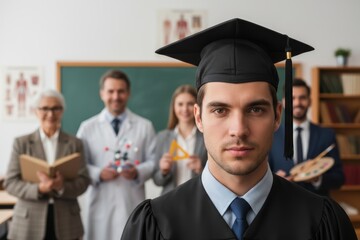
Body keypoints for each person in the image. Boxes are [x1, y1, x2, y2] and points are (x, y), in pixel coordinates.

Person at [121, 18, 357, 240]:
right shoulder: (155, 224)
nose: (239, 130)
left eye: (255, 109)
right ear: (198, 117)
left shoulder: (322, 222)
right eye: (220, 110)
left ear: (277, 116)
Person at [76, 69, 157, 240]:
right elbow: (78, 164)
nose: (115, 96)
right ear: (102, 94)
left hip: (131, 202)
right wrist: (98, 173)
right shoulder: (87, 128)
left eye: (121, 91)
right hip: (100, 203)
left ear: (128, 93)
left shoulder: (144, 126)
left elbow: (153, 161)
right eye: (110, 91)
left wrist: (137, 171)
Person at [4, 89, 90, 240]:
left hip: (67, 221)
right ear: (36, 111)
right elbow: (10, 182)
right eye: (45, 108)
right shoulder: (22, 143)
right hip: (28, 221)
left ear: (62, 111)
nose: (50, 114)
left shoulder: (75, 143)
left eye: (56, 108)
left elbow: (83, 181)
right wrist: (38, 188)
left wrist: (60, 186)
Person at [269, 78, 345, 196]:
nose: (297, 103)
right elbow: (260, 175)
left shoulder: (327, 135)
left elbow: (339, 178)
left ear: (310, 101)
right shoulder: (271, 135)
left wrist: (317, 179)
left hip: (317, 208)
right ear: (284, 102)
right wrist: (274, 180)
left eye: (302, 98)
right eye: (292, 98)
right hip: (283, 206)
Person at [152, 85, 207, 195]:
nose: (185, 109)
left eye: (190, 104)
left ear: (197, 108)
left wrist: (200, 170)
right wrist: (164, 171)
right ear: (174, 107)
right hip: (169, 200)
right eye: (180, 104)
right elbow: (157, 181)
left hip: (198, 198)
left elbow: (218, 178)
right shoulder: (162, 137)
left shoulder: (206, 137)